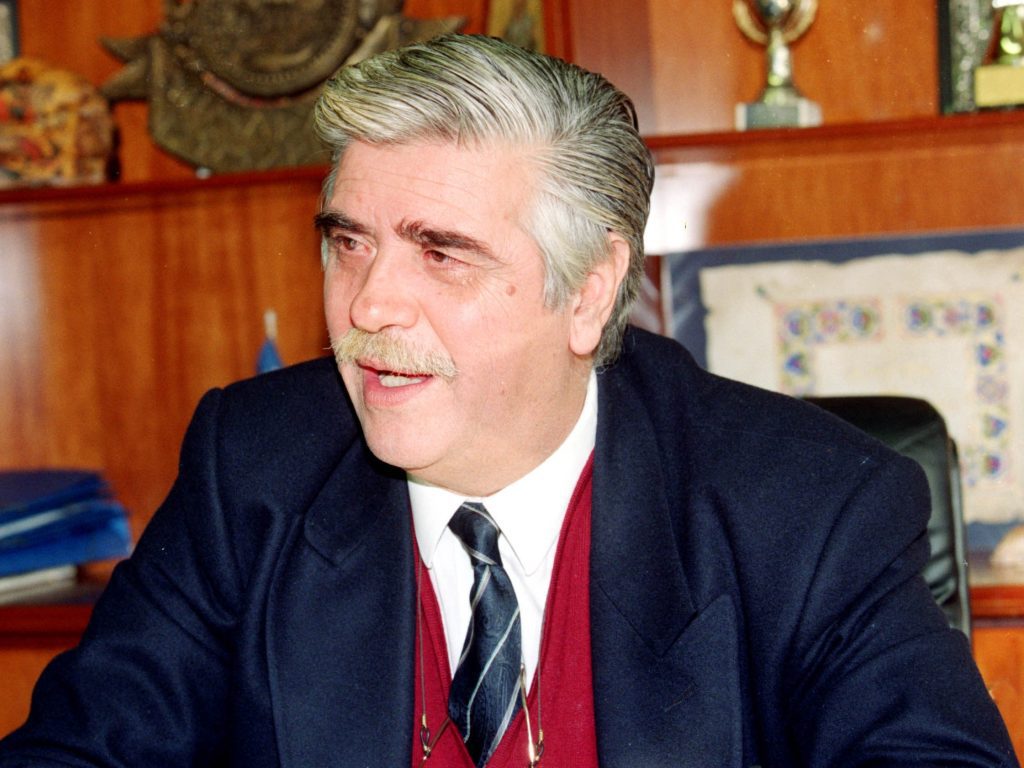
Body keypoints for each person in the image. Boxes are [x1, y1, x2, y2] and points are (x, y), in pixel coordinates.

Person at [0, 33, 1017, 768]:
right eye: (349, 242)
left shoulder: (805, 506)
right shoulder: (254, 468)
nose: (369, 302)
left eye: (442, 253)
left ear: (588, 292)